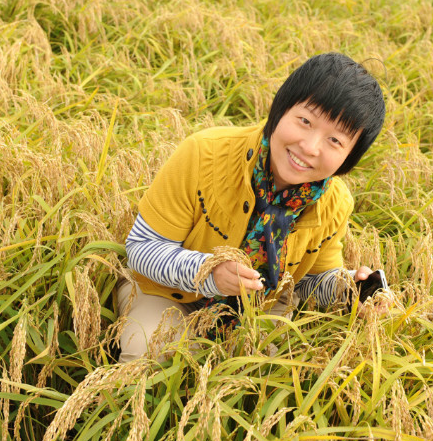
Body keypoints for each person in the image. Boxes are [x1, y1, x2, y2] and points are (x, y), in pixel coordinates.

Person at [116, 52, 386, 363]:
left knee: (268, 374)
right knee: (151, 350)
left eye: (335, 141)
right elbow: (141, 248)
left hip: (258, 312)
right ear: (280, 110)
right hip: (165, 292)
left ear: (349, 159)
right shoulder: (203, 154)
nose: (310, 148)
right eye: (305, 121)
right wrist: (209, 274)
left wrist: (348, 288)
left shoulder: (335, 203)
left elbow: (311, 281)